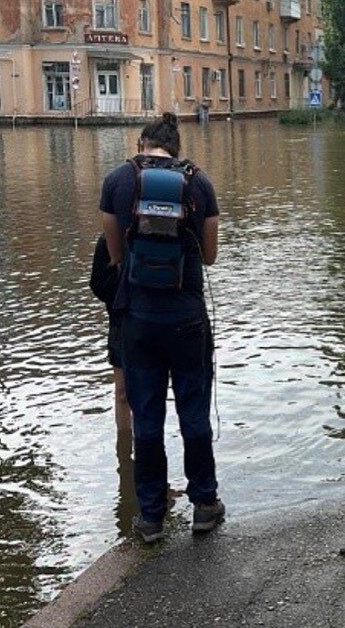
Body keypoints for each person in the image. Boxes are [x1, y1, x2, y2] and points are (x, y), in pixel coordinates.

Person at [99, 112, 223, 543]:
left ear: (142, 143)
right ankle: (204, 505)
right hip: (186, 318)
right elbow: (209, 257)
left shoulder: (118, 181)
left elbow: (114, 254)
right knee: (193, 412)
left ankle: (150, 516)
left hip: (139, 320)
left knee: (147, 418)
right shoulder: (200, 184)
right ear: (176, 147)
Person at [90, 235, 132, 434]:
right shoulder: (108, 240)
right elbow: (98, 284)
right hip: (120, 320)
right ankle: (125, 443)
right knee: (122, 392)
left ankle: (130, 458)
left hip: (153, 317)